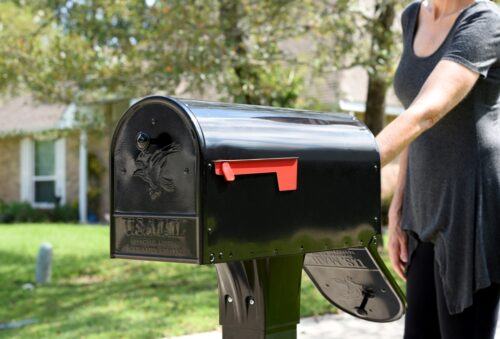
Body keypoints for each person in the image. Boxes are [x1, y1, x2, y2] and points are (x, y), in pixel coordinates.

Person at [375, 0, 500, 338]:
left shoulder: (484, 21)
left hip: (469, 212)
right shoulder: (412, 16)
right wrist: (398, 209)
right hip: (422, 209)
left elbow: (428, 111)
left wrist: (353, 166)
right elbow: (414, 121)